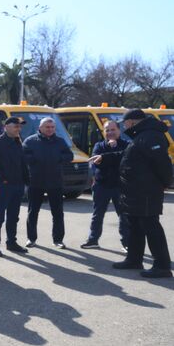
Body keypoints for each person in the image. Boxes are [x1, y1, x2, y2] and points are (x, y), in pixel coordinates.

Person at [89, 109, 172, 278]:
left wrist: (164, 183)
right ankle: (134, 259)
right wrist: (105, 158)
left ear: (133, 122)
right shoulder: (141, 136)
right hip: (134, 191)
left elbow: (162, 163)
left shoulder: (151, 136)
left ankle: (162, 265)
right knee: (134, 225)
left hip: (146, 191)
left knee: (151, 225)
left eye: (124, 122)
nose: (123, 126)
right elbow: (127, 155)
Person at [23, 117, 74, 249]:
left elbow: (69, 156)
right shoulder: (30, 141)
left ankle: (58, 240)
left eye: (52, 127)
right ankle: (31, 238)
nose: (50, 129)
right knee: (33, 212)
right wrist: (34, 160)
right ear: (40, 128)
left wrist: (58, 158)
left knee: (57, 213)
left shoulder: (60, 141)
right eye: (47, 127)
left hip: (55, 182)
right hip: (35, 182)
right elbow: (23, 157)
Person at [81, 120, 130, 251]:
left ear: (119, 131)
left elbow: (124, 161)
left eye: (113, 129)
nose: (110, 132)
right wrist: (109, 151)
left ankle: (127, 242)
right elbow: (97, 163)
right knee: (97, 214)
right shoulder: (98, 146)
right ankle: (93, 240)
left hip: (120, 186)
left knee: (124, 215)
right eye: (107, 130)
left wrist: (112, 152)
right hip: (101, 185)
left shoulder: (127, 145)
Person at [0, 117, 30, 257]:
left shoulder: (18, 142)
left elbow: (23, 164)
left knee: (13, 216)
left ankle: (11, 242)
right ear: (6, 127)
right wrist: (2, 180)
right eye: (15, 126)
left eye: (19, 127)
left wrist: (26, 181)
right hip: (4, 186)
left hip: (18, 185)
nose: (18, 129)